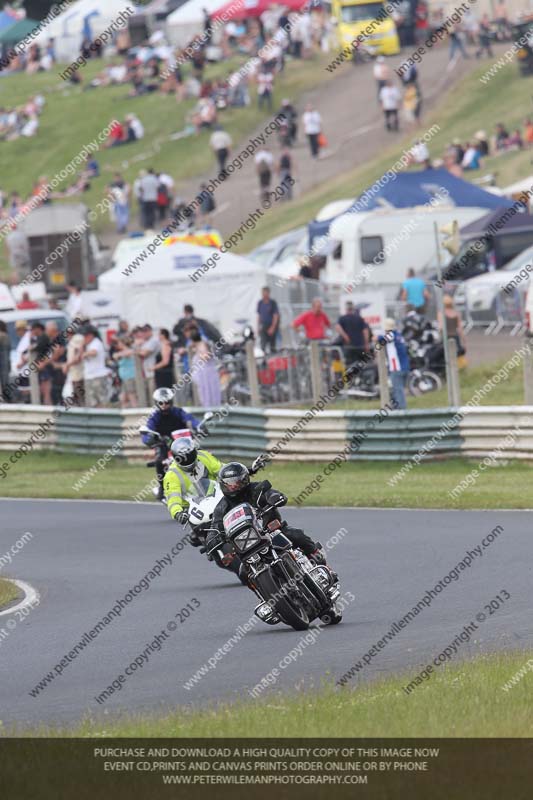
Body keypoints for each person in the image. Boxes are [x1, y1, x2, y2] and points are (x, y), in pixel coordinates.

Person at [206, 463, 332, 584]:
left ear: (244, 480)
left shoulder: (257, 489)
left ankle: (323, 564)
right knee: (244, 574)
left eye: (236, 482)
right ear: (223, 485)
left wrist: (275, 497)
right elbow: (215, 527)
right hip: (246, 544)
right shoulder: (221, 508)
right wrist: (212, 540)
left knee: (296, 535)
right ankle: (264, 597)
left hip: (271, 531)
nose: (233, 486)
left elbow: (271, 493)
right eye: (229, 484)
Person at [141, 387, 200, 501]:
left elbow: (191, 419)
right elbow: (147, 431)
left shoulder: (178, 412)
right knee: (159, 461)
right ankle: (162, 489)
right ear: (156, 403)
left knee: (201, 455)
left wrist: (198, 426)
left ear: (171, 402)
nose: (164, 405)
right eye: (160, 403)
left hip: (184, 443)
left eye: (166, 402)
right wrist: (149, 438)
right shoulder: (154, 417)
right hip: (164, 445)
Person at [382, 318, 409, 410]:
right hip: (404, 367)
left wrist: (375, 337)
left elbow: (382, 339)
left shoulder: (391, 335)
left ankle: (401, 411)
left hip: (396, 368)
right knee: (396, 390)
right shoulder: (399, 335)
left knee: (398, 390)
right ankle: (394, 408)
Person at [189, 328, 221, 406]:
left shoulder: (201, 345)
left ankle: (210, 408)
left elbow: (206, 357)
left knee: (209, 392)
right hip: (204, 374)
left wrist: (198, 353)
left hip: (206, 374)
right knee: (205, 392)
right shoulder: (199, 345)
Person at [82, 325, 109, 408]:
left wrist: (84, 354)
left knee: (101, 401)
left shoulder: (96, 342)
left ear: (90, 335)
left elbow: (94, 352)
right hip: (90, 376)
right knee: (92, 402)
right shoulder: (88, 345)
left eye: (85, 336)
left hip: (97, 376)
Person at [335, 302, 369, 366]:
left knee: (348, 365)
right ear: (353, 309)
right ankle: (359, 376)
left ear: (346, 309)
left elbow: (337, 327)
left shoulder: (342, 318)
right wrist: (366, 344)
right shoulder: (360, 318)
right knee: (360, 365)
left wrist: (345, 336)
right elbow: (365, 331)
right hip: (360, 346)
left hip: (349, 347)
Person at [438, 294, 466, 362]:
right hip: (455, 336)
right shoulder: (456, 313)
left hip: (445, 336)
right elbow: (459, 328)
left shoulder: (441, 313)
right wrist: (463, 338)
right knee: (458, 354)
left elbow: (440, 326)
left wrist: (439, 336)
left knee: (444, 353)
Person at [63, 325, 85, 405]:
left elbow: (77, 357)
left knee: (80, 397)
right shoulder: (72, 341)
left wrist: (67, 365)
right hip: (74, 373)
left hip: (78, 373)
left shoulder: (76, 340)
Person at [113, 336, 138, 407]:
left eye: (119, 343)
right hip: (124, 378)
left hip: (130, 376)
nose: (118, 344)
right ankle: (124, 413)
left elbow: (128, 353)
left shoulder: (129, 351)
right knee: (122, 398)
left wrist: (118, 355)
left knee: (131, 395)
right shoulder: (122, 352)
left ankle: (135, 411)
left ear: (123, 343)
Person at [257, 286, 280, 353]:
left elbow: (275, 316)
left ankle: (273, 361)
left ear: (268, 293)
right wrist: (258, 327)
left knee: (272, 346)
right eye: (263, 293)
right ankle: (263, 361)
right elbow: (259, 315)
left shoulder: (272, 303)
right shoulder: (260, 303)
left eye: (265, 293)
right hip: (263, 325)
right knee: (263, 344)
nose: (264, 294)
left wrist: (273, 327)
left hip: (271, 325)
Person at [0, 320, 10, 400]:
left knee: (4, 381)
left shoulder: (2, 335)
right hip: (6, 361)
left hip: (3, 362)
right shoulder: (6, 335)